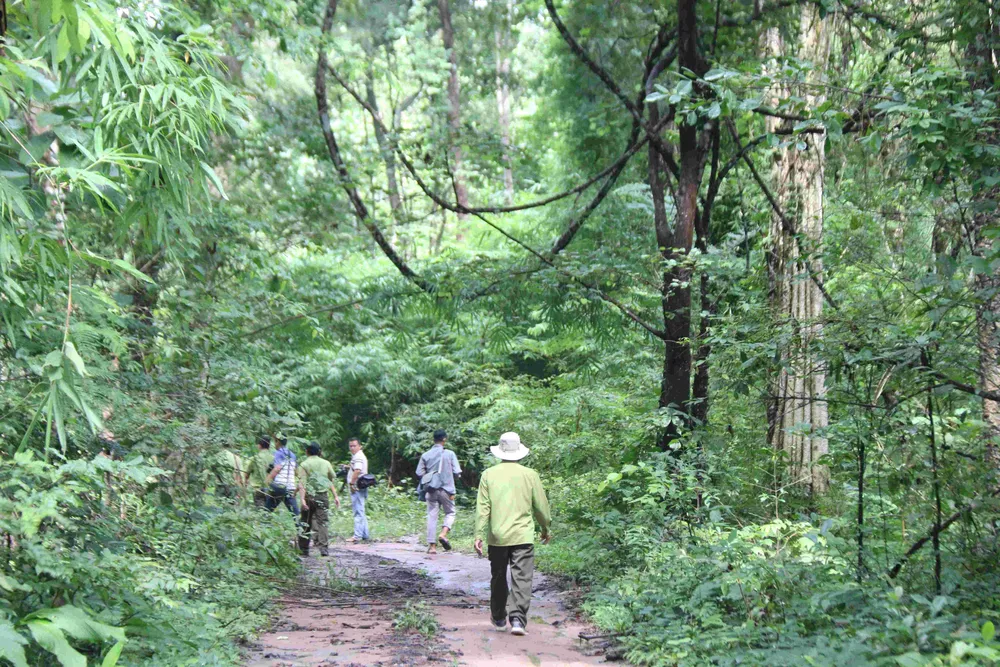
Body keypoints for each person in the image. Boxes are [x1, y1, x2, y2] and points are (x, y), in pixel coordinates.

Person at [474, 432, 551, 637]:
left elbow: (483, 508)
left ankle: (499, 617)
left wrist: (478, 534)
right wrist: (545, 528)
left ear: (500, 452)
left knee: (498, 576)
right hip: (523, 535)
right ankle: (517, 619)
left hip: (497, 536)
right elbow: (541, 508)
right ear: (519, 451)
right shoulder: (530, 474)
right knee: (522, 578)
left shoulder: (489, 474)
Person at [416, 429, 461, 554]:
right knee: (451, 512)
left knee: (432, 516)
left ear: (433, 439)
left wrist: (430, 479)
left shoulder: (425, 455)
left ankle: (432, 547)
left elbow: (419, 473)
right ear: (444, 439)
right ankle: (443, 534)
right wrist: (451, 477)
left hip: (431, 490)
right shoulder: (450, 454)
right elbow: (457, 472)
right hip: (447, 490)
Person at [297, 442, 342, 557]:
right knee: (323, 522)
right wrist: (335, 496)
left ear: (307, 451)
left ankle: (304, 549)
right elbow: (331, 478)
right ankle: (324, 548)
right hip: (322, 496)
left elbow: (302, 483)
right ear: (319, 452)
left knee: (305, 522)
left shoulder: (304, 464)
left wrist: (302, 499)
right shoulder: (326, 463)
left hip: (309, 496)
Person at [265, 436, 305, 515]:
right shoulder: (292, 455)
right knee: (295, 515)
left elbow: (277, 468)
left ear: (278, 442)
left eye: (275, 442)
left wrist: (267, 481)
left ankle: (263, 523)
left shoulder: (278, 453)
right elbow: (296, 472)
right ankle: (300, 526)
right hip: (290, 487)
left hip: (279, 486)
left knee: (266, 511)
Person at [346, 437, 370, 543]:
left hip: (357, 486)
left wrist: (352, 483)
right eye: (350, 446)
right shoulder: (357, 456)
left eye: (354, 446)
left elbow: (357, 470)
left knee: (358, 511)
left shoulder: (358, 456)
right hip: (360, 485)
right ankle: (364, 534)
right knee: (361, 509)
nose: (352, 448)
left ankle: (357, 536)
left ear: (360, 446)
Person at [245, 435, 274, 508]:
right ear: (269, 446)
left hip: (257, 489)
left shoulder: (255, 458)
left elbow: (247, 474)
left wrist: (245, 483)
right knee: (268, 510)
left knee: (260, 510)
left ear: (259, 445)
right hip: (269, 489)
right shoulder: (274, 458)